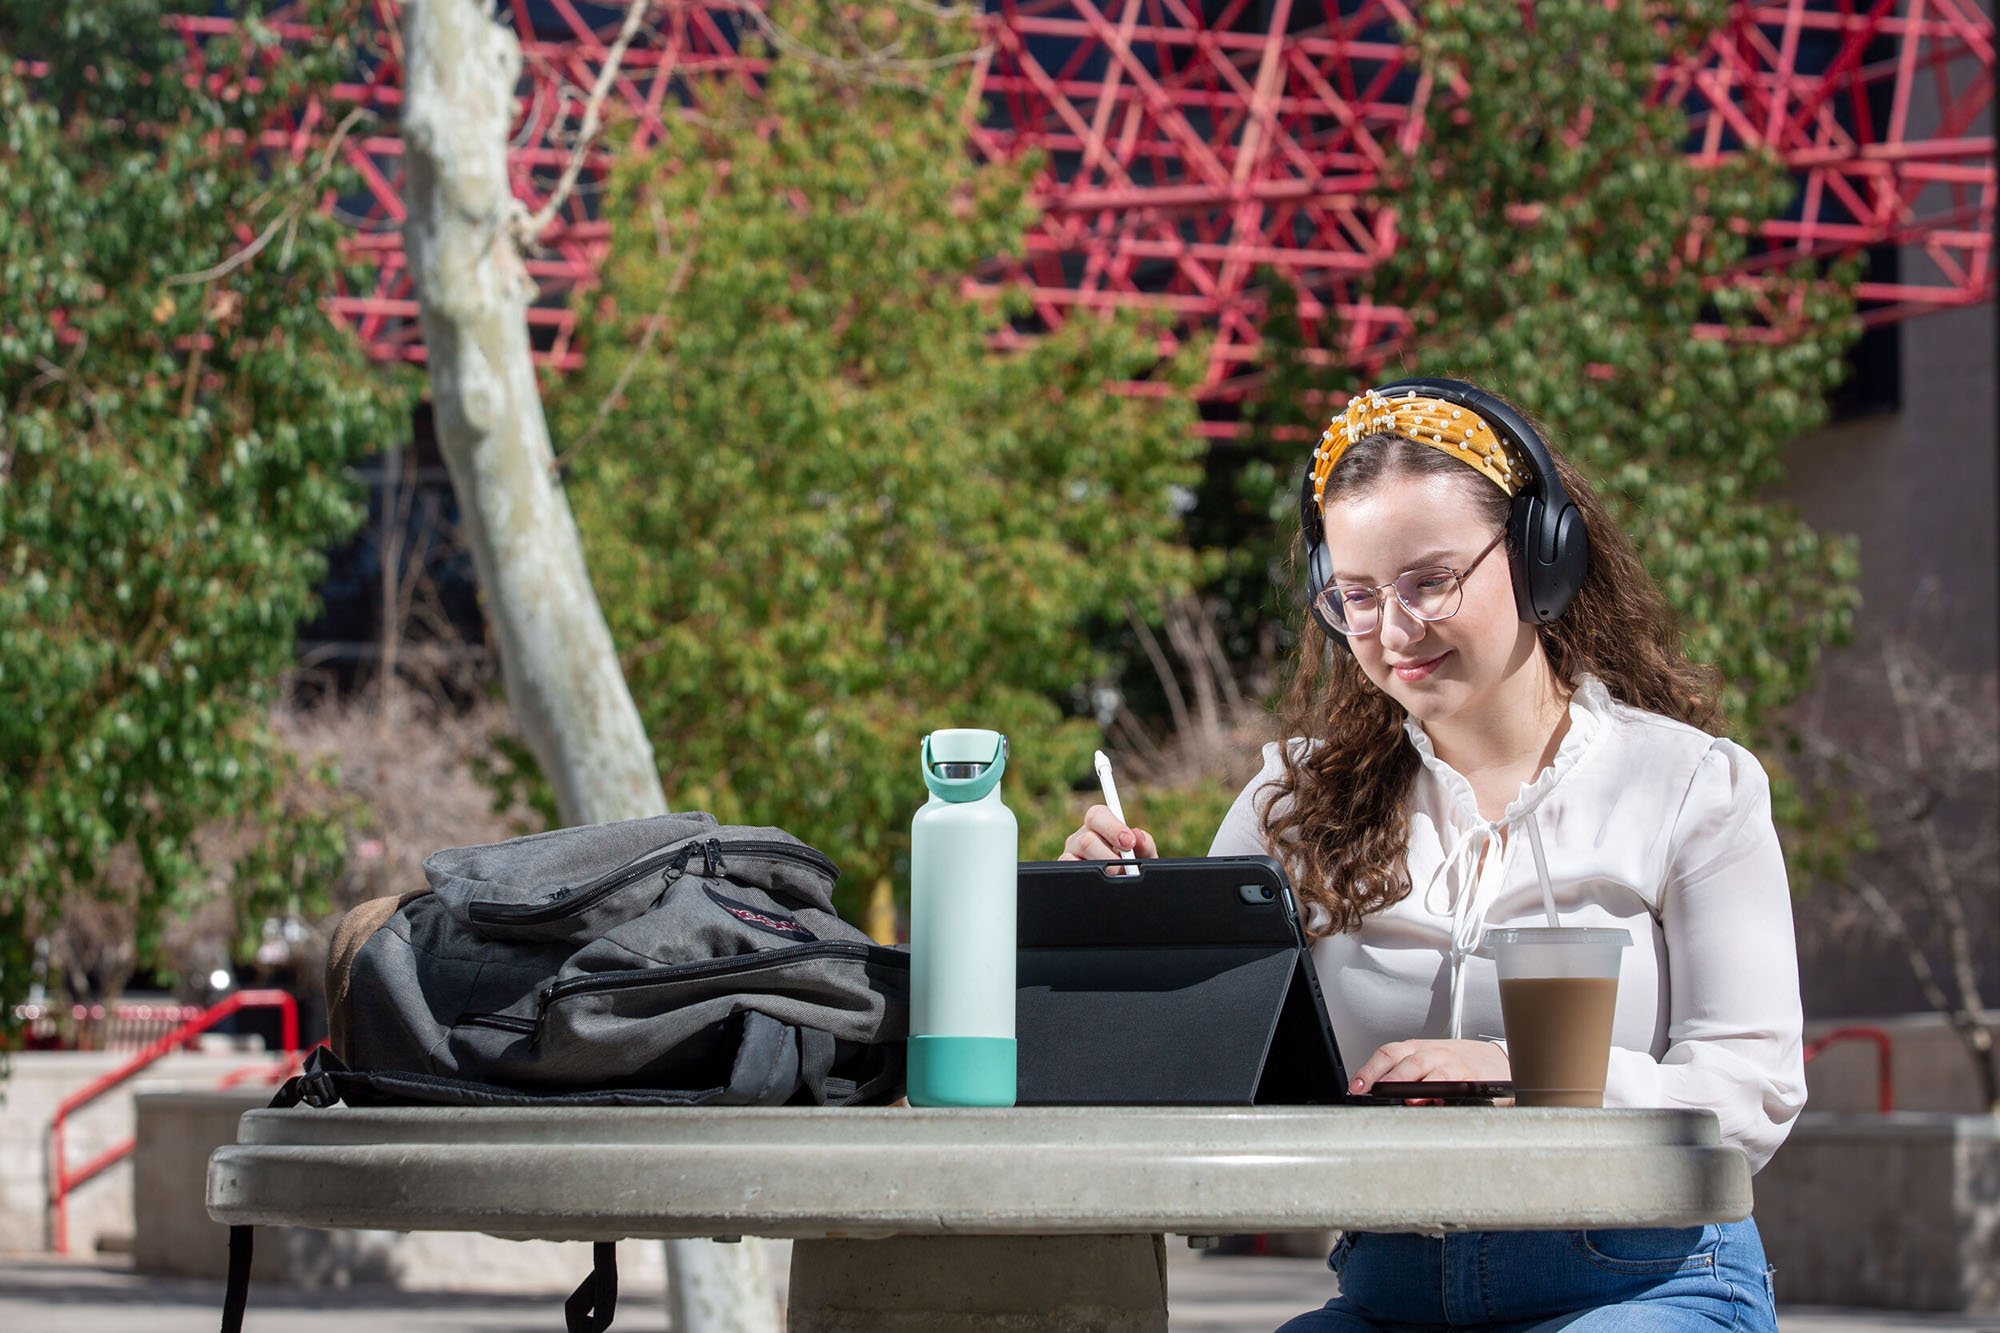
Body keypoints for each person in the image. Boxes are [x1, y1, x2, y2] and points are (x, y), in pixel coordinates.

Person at [1061, 378, 1803, 1331]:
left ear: (1543, 558)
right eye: (1357, 596)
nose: (1394, 631)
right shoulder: (1291, 800)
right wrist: (1118, 929)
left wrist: (1516, 1071)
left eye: (1430, 581)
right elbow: (1197, 1075)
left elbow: (1753, 1092)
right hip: (1391, 1294)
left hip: (1644, 1282)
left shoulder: (1692, 784)